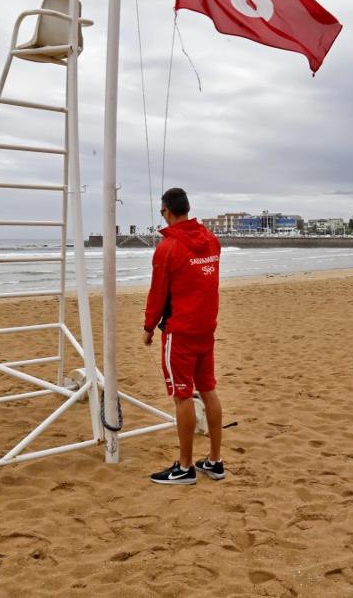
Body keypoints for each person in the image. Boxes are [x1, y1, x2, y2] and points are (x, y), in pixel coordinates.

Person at [142, 187, 224, 485]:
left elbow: (158, 292)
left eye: (162, 213)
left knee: (183, 396)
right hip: (206, 328)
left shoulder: (169, 248)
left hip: (181, 332)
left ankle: (186, 466)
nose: (162, 217)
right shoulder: (212, 241)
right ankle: (215, 460)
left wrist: (149, 326)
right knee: (208, 390)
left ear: (168, 211)